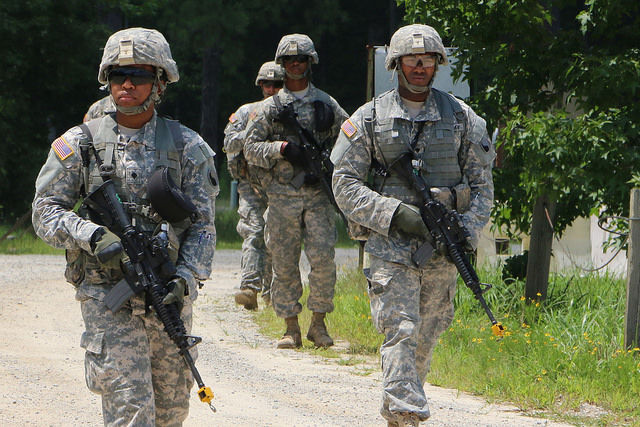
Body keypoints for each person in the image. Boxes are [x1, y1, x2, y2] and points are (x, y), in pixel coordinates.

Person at [32, 27, 219, 426]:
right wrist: (92, 235)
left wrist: (186, 279)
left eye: (139, 75)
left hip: (167, 295)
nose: (128, 84)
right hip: (107, 297)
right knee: (132, 411)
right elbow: (44, 211)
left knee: (171, 411)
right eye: (119, 75)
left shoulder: (187, 147)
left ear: (160, 82)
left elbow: (203, 226)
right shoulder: (80, 143)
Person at [330, 24, 495, 426]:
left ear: (437, 64)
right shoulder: (369, 118)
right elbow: (344, 183)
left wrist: (466, 232)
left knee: (427, 335)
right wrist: (394, 214)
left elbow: (482, 187)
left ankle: (399, 409)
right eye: (412, 60)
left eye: (427, 60)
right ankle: (408, 414)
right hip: (391, 247)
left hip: (443, 248)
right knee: (401, 329)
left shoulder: (462, 118)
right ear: (396, 65)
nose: (420, 67)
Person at [243, 34, 348, 349]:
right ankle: (291, 327)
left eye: (301, 59)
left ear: (310, 62)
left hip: (317, 196)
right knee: (284, 262)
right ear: (282, 64)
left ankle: (318, 324)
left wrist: (331, 163)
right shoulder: (270, 107)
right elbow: (250, 148)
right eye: (289, 60)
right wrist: (281, 149)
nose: (296, 65)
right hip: (282, 195)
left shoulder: (326, 103)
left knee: (323, 259)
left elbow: (351, 138)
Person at [224, 61, 284, 310]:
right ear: (260, 85)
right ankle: (249, 288)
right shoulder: (246, 112)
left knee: (276, 237)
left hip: (281, 184)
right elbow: (229, 143)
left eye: (277, 84)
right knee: (254, 231)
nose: (271, 89)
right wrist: (253, 132)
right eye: (266, 84)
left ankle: (271, 294)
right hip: (251, 184)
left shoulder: (290, 113)